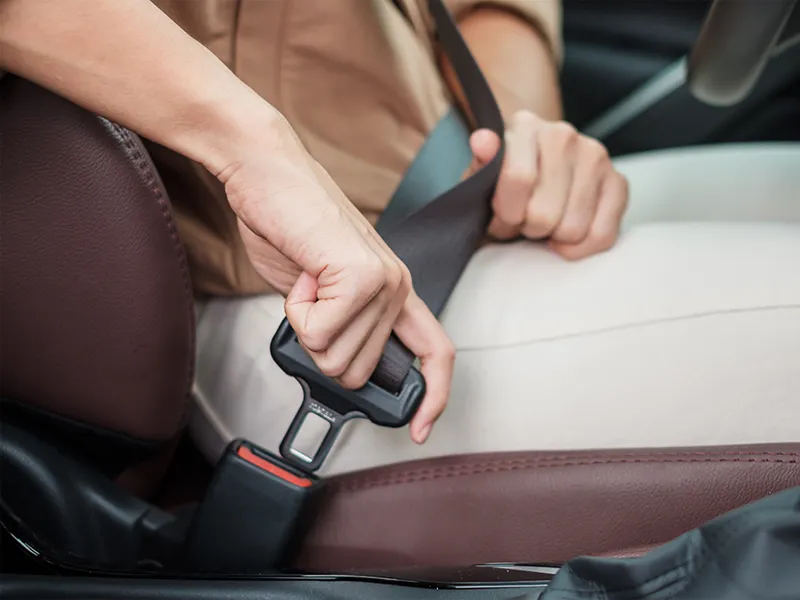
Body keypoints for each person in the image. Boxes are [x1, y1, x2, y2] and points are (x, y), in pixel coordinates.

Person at [3, 0, 798, 477]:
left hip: (443, 205)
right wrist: (255, 153)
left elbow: (493, 11)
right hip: (274, 296)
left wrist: (518, 135)